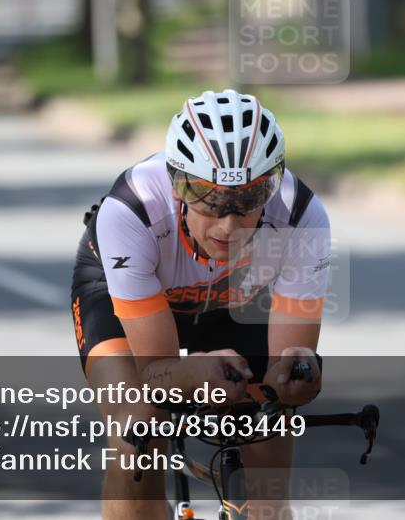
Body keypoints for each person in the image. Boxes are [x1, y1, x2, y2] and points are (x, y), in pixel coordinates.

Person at [71, 89, 330, 519]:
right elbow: (155, 371)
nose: (228, 224)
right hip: (128, 296)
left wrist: (295, 375)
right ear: (178, 183)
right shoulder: (132, 210)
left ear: (270, 186)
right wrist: (188, 373)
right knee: (136, 431)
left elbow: (288, 364)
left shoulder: (301, 216)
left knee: (268, 424)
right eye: (209, 198)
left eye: (248, 200)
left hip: (236, 297)